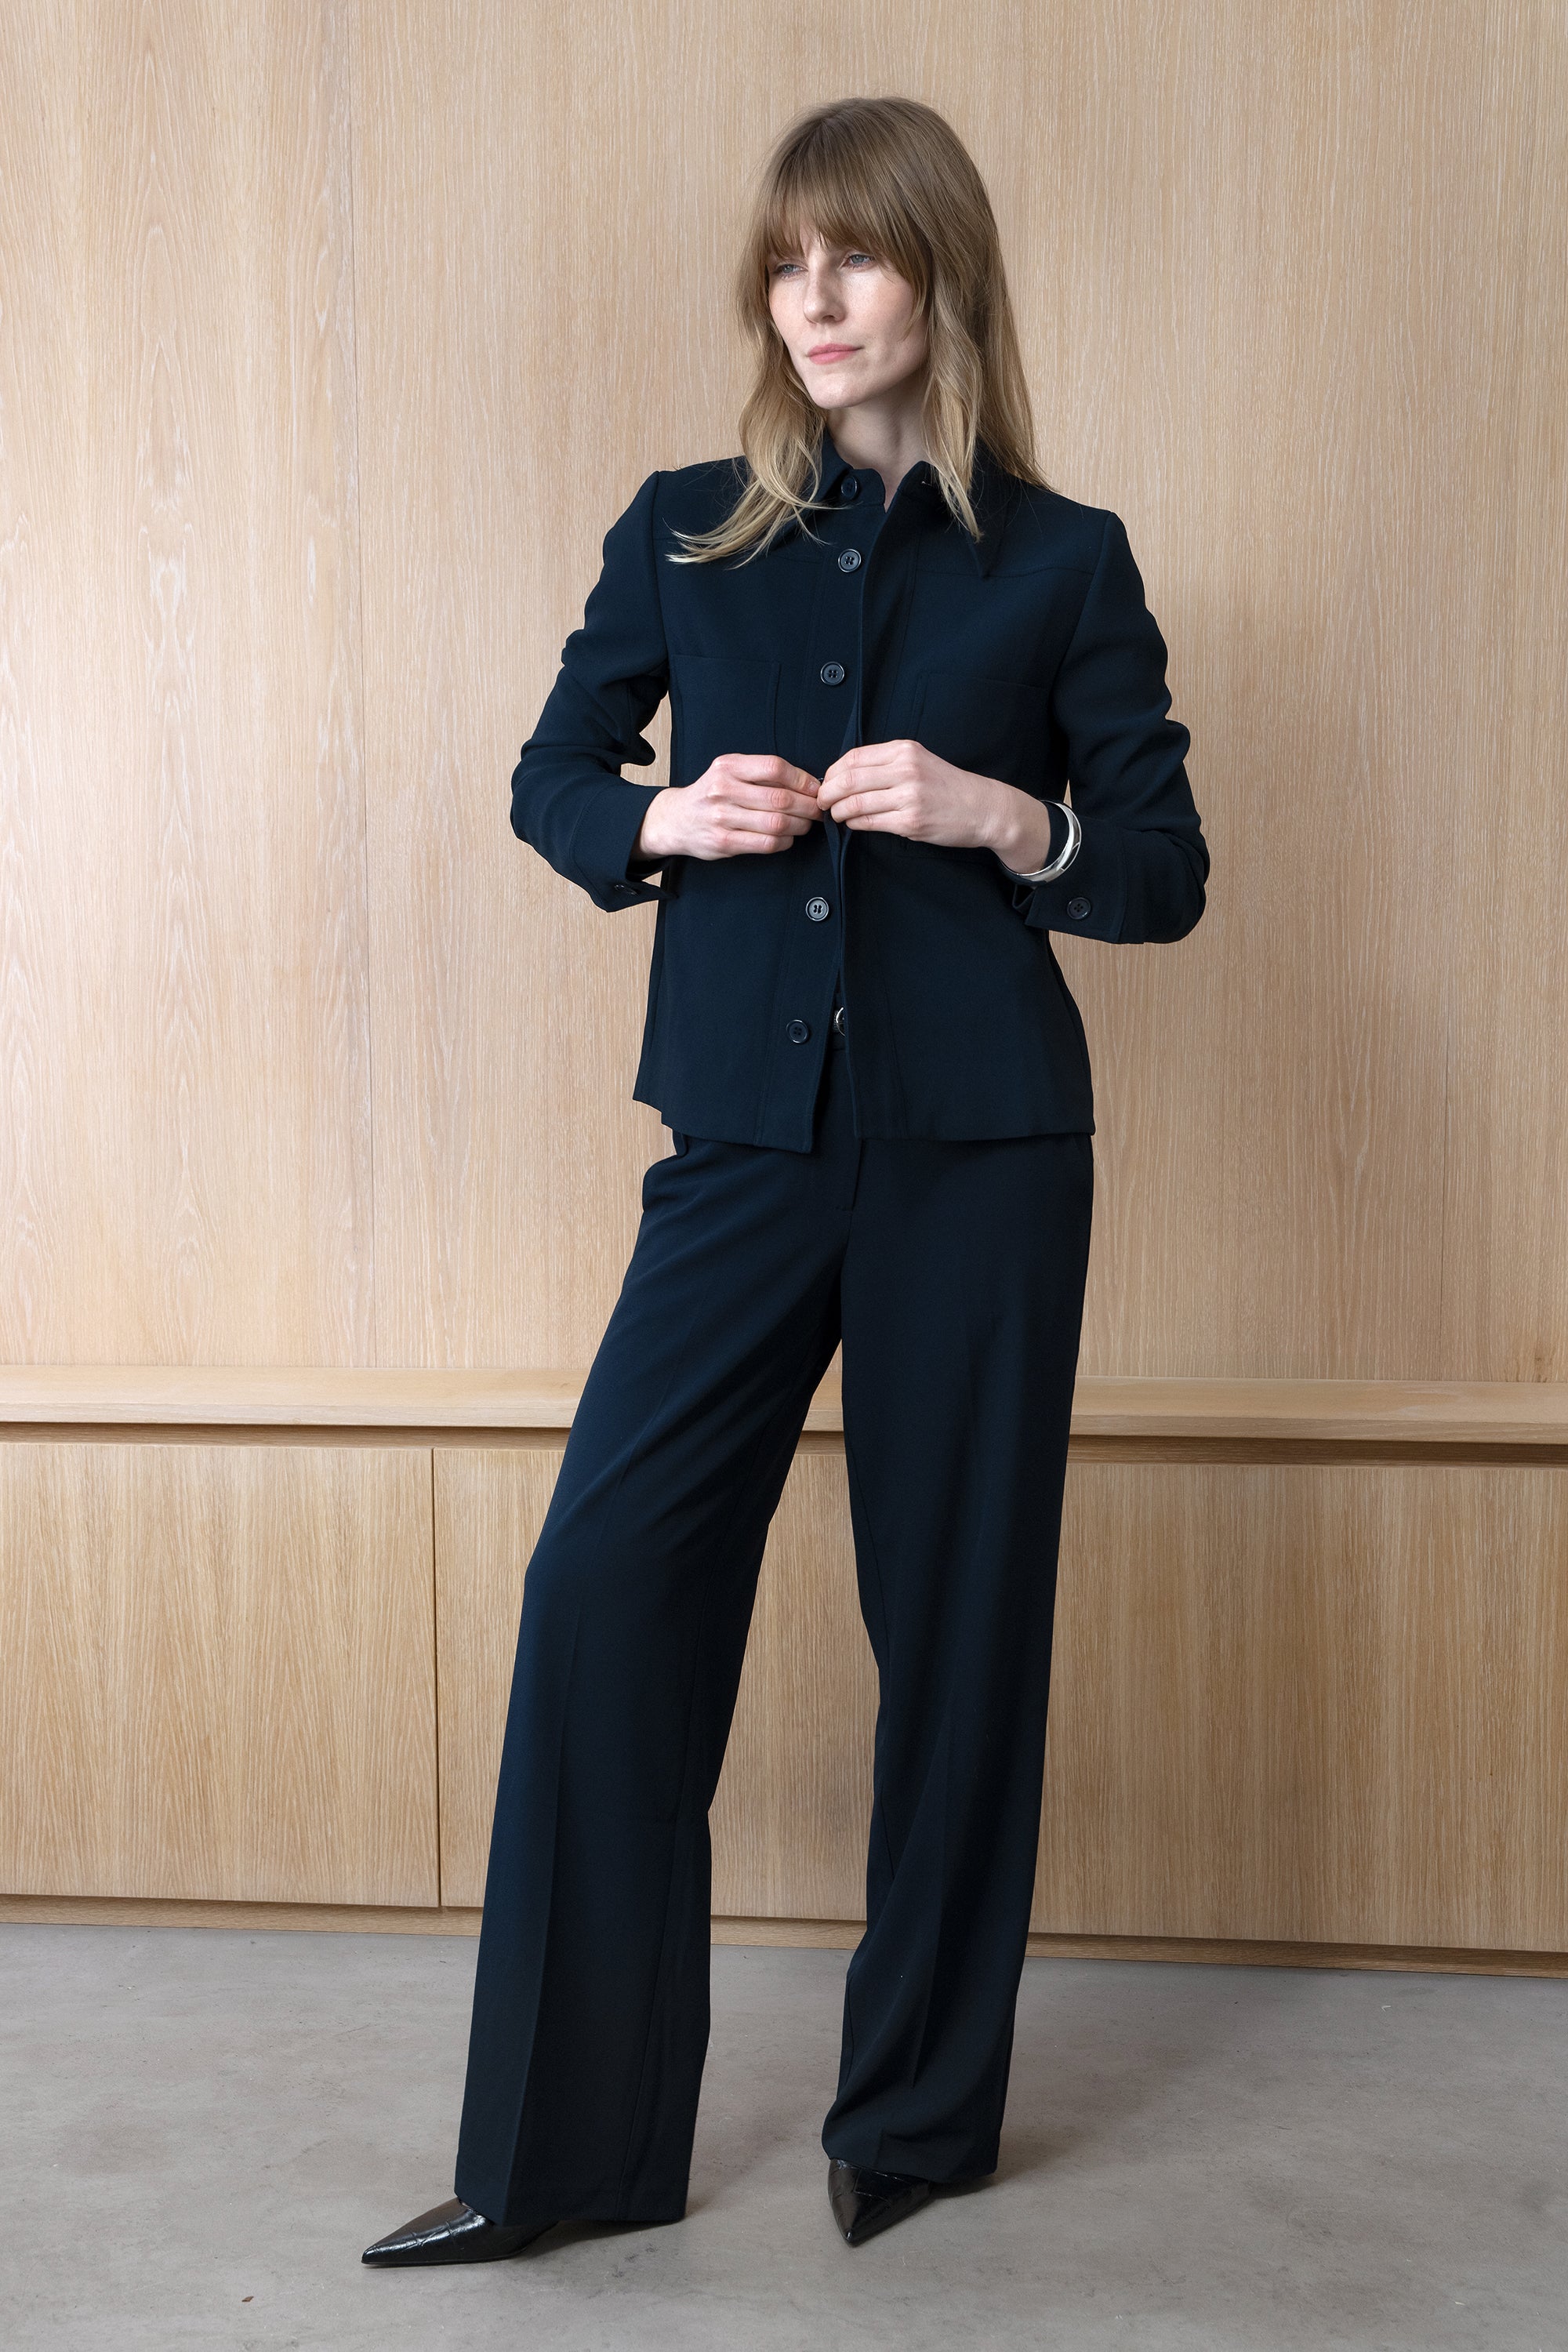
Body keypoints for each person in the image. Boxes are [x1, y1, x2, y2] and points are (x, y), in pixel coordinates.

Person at [363, 93, 1207, 2268]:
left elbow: (1162, 868)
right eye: (785, 262)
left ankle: (913, 2120)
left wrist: (1005, 818)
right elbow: (557, 776)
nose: (813, 299)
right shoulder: (685, 531)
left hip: (984, 1160)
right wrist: (667, 820)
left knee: (958, 1629)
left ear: (942, 271)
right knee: (606, 1588)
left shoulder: (1064, 559)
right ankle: (561, 2157)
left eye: (857, 255)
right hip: (742, 1147)